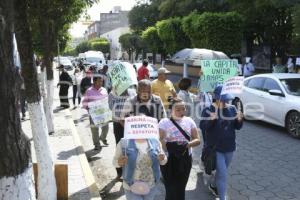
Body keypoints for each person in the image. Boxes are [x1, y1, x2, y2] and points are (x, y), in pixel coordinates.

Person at [200, 85, 243, 200]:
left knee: (221, 172)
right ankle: (222, 197)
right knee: (223, 175)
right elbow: (203, 127)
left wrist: (239, 120)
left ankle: (213, 185)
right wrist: (211, 121)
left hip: (230, 147)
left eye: (227, 99)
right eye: (222, 99)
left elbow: (237, 127)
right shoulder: (208, 110)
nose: (225, 102)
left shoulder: (232, 108)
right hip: (215, 149)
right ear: (216, 97)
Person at [159, 98, 201, 200]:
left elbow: (197, 140)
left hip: (185, 159)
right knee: (170, 188)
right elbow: (159, 140)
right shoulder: (164, 122)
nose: (181, 112)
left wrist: (186, 145)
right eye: (178, 109)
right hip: (169, 160)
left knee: (181, 188)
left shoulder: (189, 121)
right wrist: (166, 150)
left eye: (183, 109)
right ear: (170, 110)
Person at [109, 86, 137, 180]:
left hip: (130, 124)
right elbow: (111, 107)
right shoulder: (112, 93)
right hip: (118, 123)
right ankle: (119, 172)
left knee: (132, 147)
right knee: (120, 147)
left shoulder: (132, 92)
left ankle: (130, 171)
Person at [82, 76, 109, 150]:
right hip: (93, 114)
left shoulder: (104, 90)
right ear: (94, 82)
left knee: (106, 128)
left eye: (102, 81)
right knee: (94, 130)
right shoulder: (89, 91)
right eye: (99, 81)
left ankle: (103, 138)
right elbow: (84, 102)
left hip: (103, 113)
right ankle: (97, 144)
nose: (101, 83)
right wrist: (88, 107)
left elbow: (107, 100)